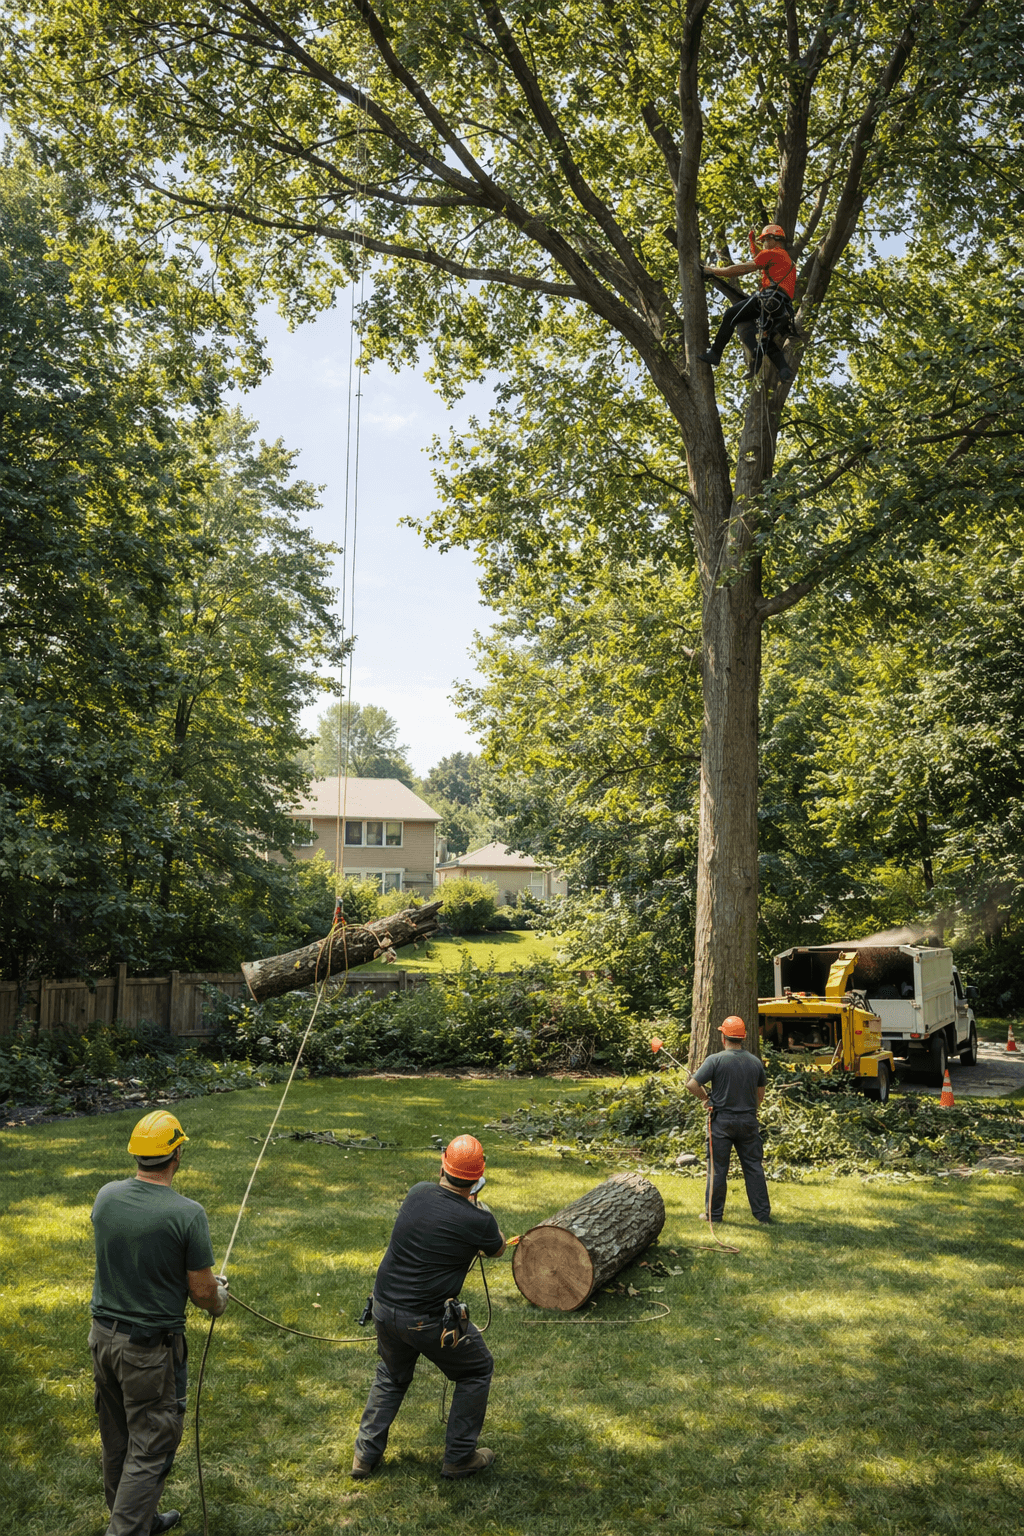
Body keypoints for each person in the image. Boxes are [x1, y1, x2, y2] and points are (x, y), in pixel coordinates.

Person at [89, 1111, 229, 1536]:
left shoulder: (106, 1196)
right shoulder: (187, 1213)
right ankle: (127, 1530)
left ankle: (138, 1519)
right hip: (148, 1353)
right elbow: (204, 1293)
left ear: (137, 1154)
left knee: (119, 1440)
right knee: (150, 1448)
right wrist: (218, 1297)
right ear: (177, 1153)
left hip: (102, 1340)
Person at [352, 1134, 506, 1481]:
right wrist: (477, 1205)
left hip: (383, 1306)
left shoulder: (417, 1192)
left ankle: (364, 1456)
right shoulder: (478, 1220)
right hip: (423, 1320)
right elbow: (496, 1249)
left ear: (442, 1165)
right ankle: (460, 1458)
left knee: (391, 1375)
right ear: (479, 1178)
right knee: (476, 1370)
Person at [686, 1016, 772, 1226]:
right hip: (748, 1122)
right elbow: (759, 1096)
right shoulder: (755, 1062)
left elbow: (691, 1085)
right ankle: (762, 1216)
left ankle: (714, 1216)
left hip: (721, 1123)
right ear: (742, 1038)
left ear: (723, 1037)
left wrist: (706, 1099)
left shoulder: (715, 1060)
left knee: (717, 1169)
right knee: (754, 1167)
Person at [699, 224, 797, 381]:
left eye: (765, 240)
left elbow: (743, 268)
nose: (763, 244)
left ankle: (715, 354)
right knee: (766, 340)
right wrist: (753, 244)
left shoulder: (772, 254)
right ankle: (784, 370)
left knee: (731, 315)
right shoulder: (786, 260)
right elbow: (761, 257)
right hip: (781, 308)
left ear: (774, 239)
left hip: (768, 299)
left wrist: (713, 271)